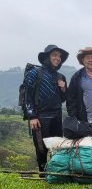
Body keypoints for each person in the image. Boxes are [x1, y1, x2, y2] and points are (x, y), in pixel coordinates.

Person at [23, 44, 69, 172]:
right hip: (40, 116)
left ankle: (56, 172)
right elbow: (28, 96)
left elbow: (64, 98)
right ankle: (43, 173)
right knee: (41, 147)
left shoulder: (61, 77)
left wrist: (63, 88)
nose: (58, 58)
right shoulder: (34, 73)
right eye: (54, 55)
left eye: (59, 56)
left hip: (57, 115)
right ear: (47, 57)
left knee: (57, 145)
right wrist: (32, 116)